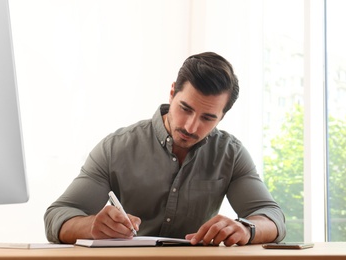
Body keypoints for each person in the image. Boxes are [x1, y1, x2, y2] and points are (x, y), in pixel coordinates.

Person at [44, 52, 286, 247]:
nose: (191, 126)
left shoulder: (230, 154)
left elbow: (272, 217)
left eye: (207, 118)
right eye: (186, 108)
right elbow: (57, 215)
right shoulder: (115, 148)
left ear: (222, 117)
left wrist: (246, 228)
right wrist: (92, 225)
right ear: (172, 93)